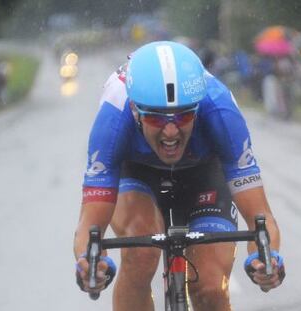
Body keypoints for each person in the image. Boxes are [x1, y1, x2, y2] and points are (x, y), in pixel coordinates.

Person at [74, 41, 285, 311]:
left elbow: (261, 217)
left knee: (210, 287)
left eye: (184, 116)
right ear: (136, 111)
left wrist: (265, 260)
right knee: (142, 253)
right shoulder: (113, 119)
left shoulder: (220, 110)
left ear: (197, 107)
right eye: (156, 118)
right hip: (137, 172)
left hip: (204, 173)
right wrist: (91, 265)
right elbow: (89, 227)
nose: (171, 132)